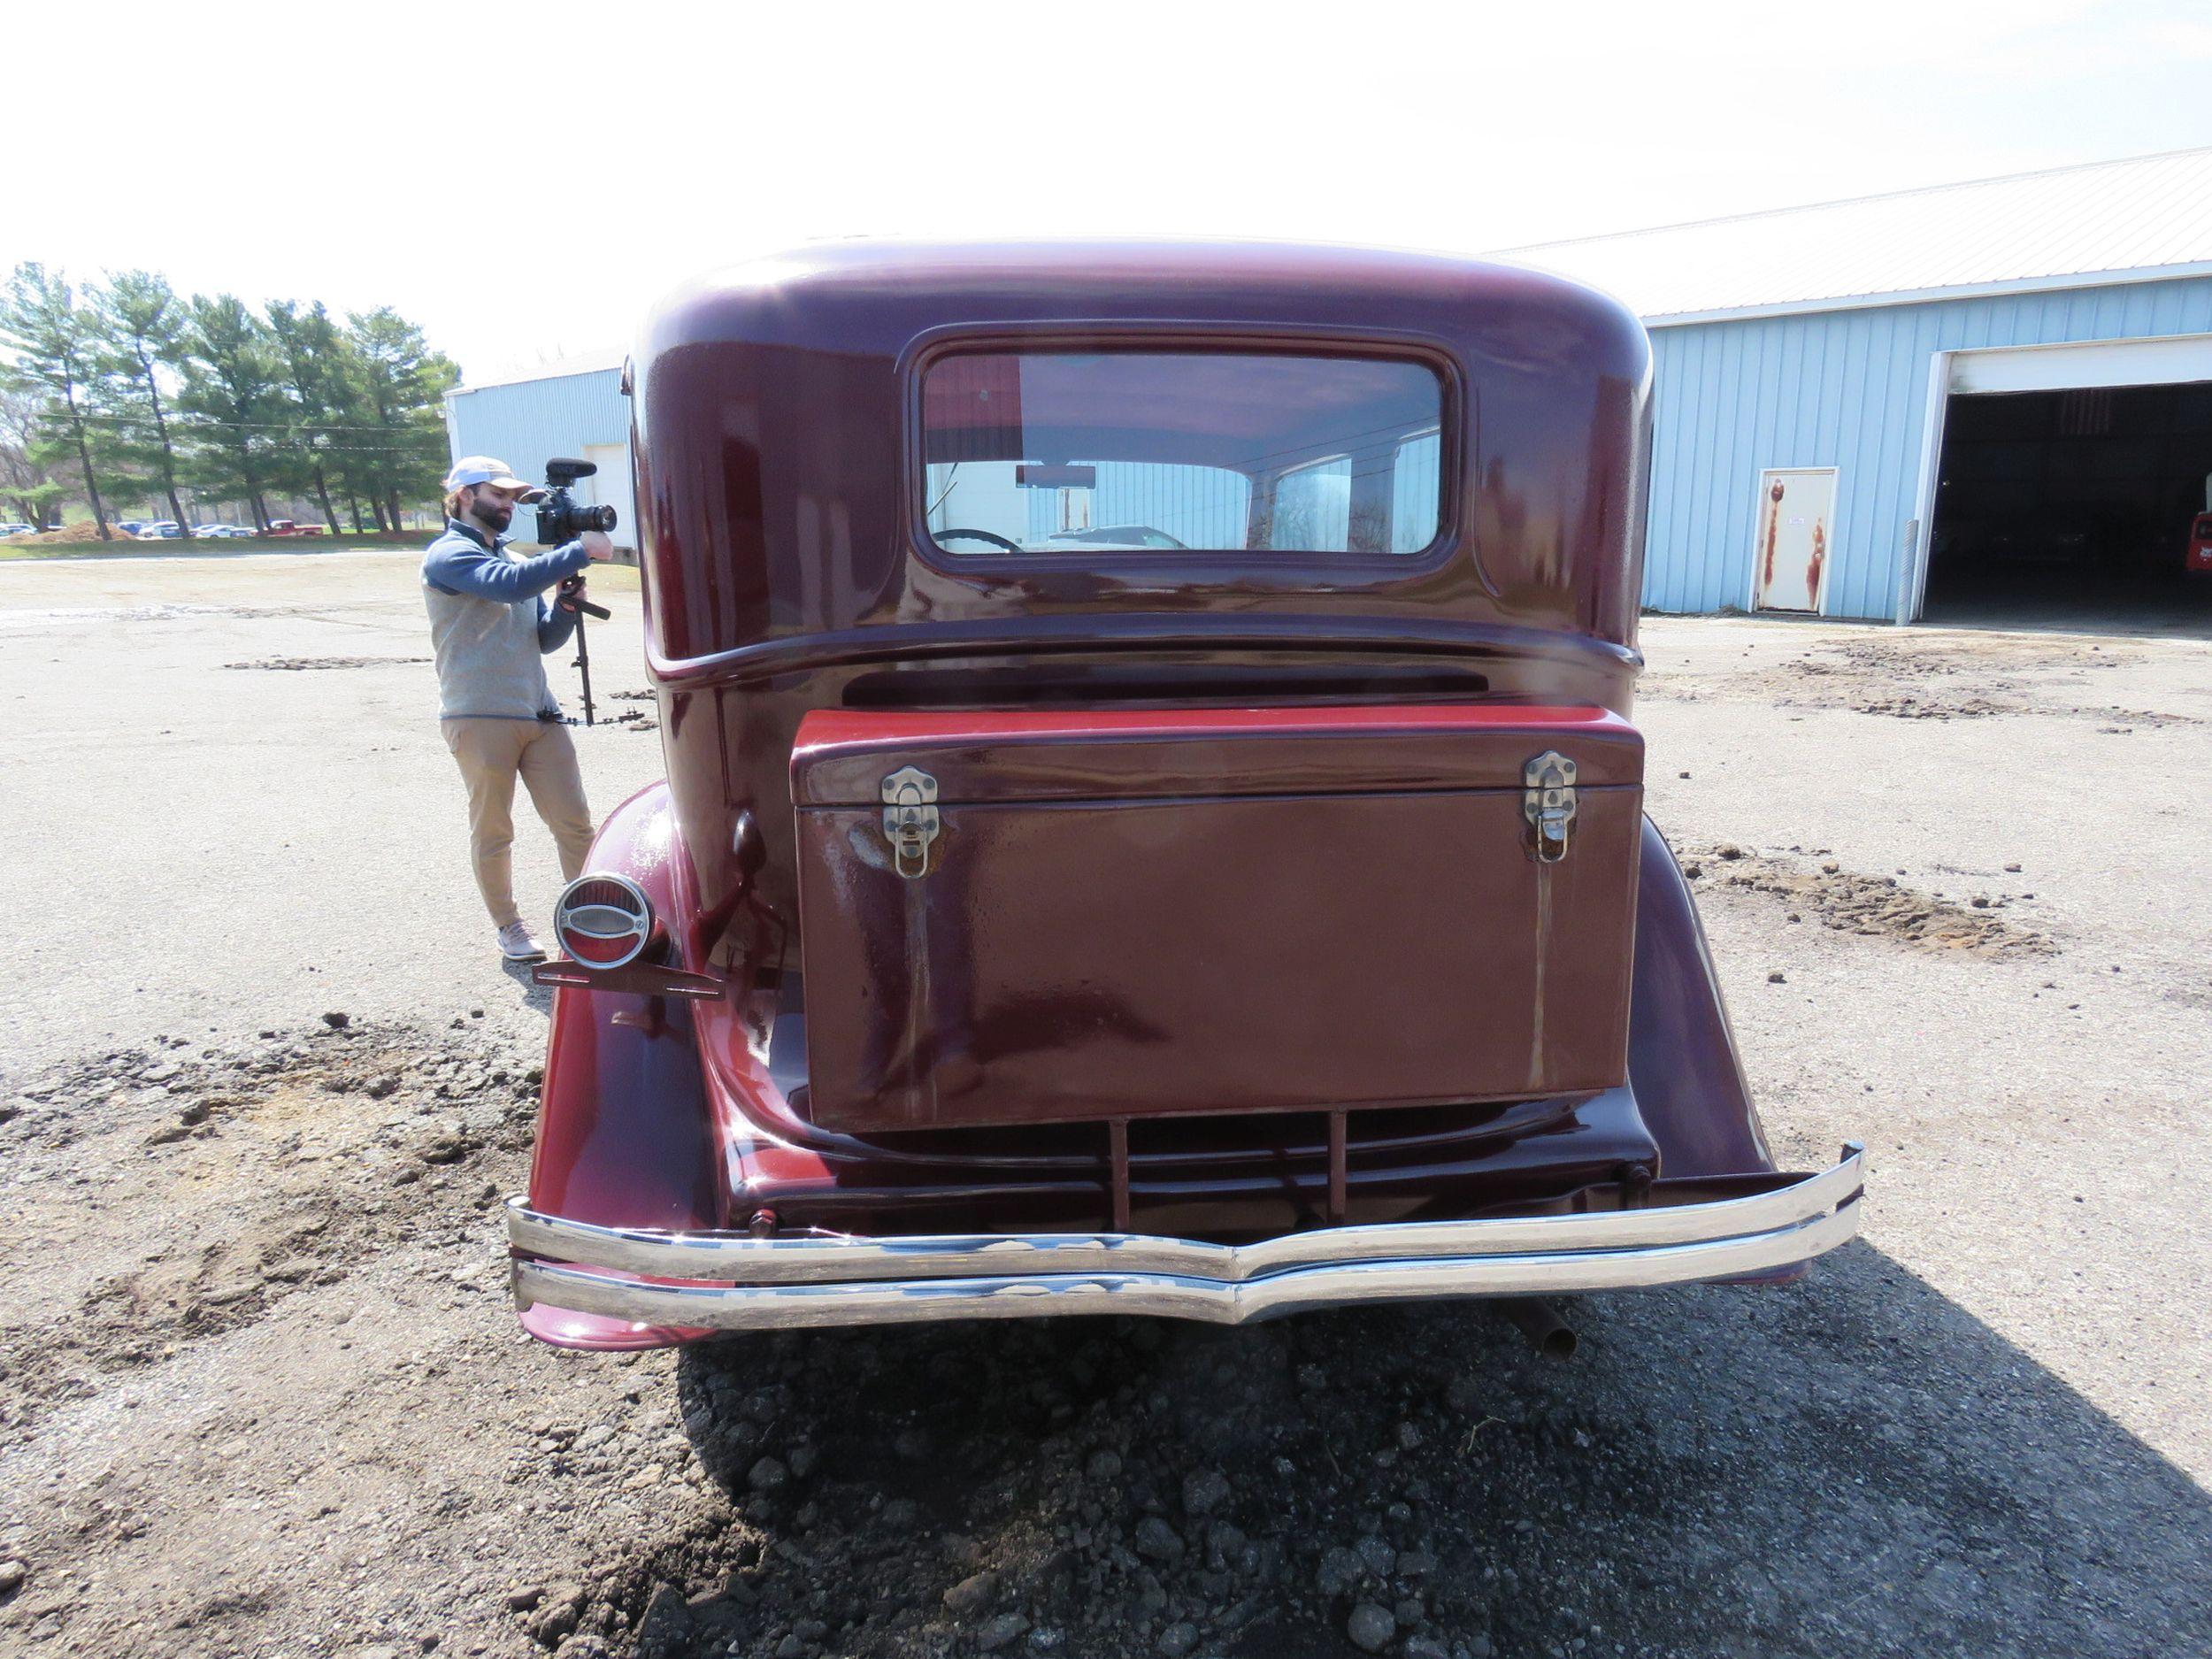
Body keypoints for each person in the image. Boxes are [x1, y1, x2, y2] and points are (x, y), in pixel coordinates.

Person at [422, 457, 611, 962]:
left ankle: (594, 918)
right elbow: (506, 585)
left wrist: (567, 606)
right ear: (465, 495)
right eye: (498, 495)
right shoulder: (448, 554)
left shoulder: (513, 559)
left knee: (575, 825)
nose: (508, 505)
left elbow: (544, 639)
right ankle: (509, 928)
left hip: (538, 713)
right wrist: (577, 551)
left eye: (512, 498)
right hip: (478, 715)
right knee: (494, 830)